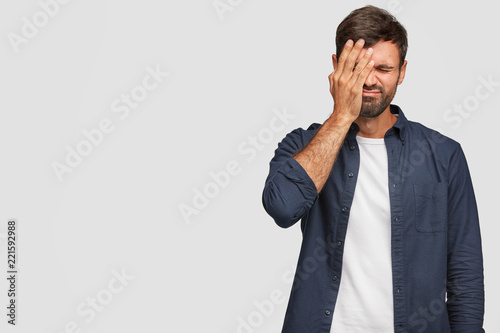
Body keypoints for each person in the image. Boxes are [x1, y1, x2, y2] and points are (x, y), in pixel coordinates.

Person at [261, 5, 485, 333]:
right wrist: (341, 116)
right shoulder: (302, 144)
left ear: (402, 71)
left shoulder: (444, 155)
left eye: (383, 68)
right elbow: (282, 207)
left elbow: (464, 275)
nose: (369, 80)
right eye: (357, 67)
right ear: (337, 67)